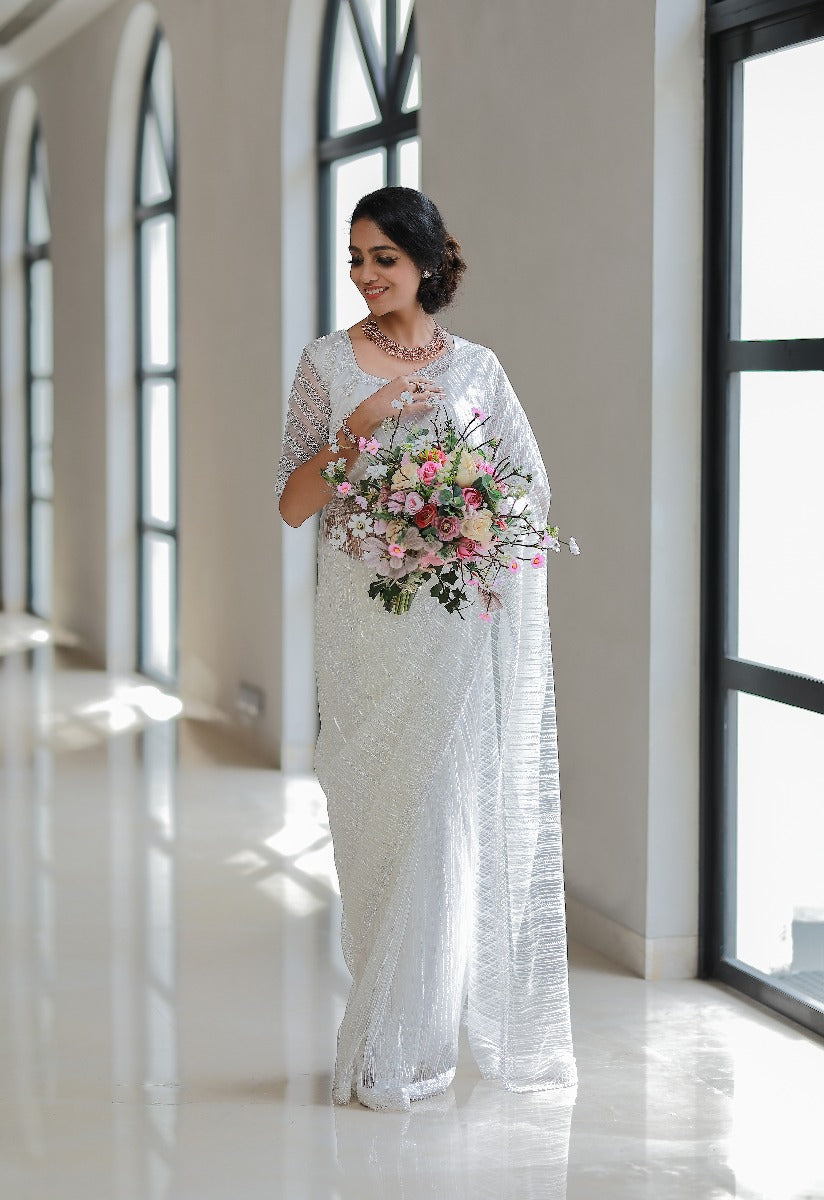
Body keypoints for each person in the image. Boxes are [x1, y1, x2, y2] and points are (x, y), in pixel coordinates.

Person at [276, 186, 577, 1112]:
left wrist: (466, 524)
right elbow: (292, 503)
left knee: (440, 817)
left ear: (427, 262)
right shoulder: (326, 364)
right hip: (362, 624)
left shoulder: (478, 370)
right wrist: (360, 431)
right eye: (355, 258)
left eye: (384, 260)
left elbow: (527, 488)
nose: (366, 276)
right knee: (371, 816)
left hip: (447, 627)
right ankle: (383, 1013)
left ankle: (407, 1043)